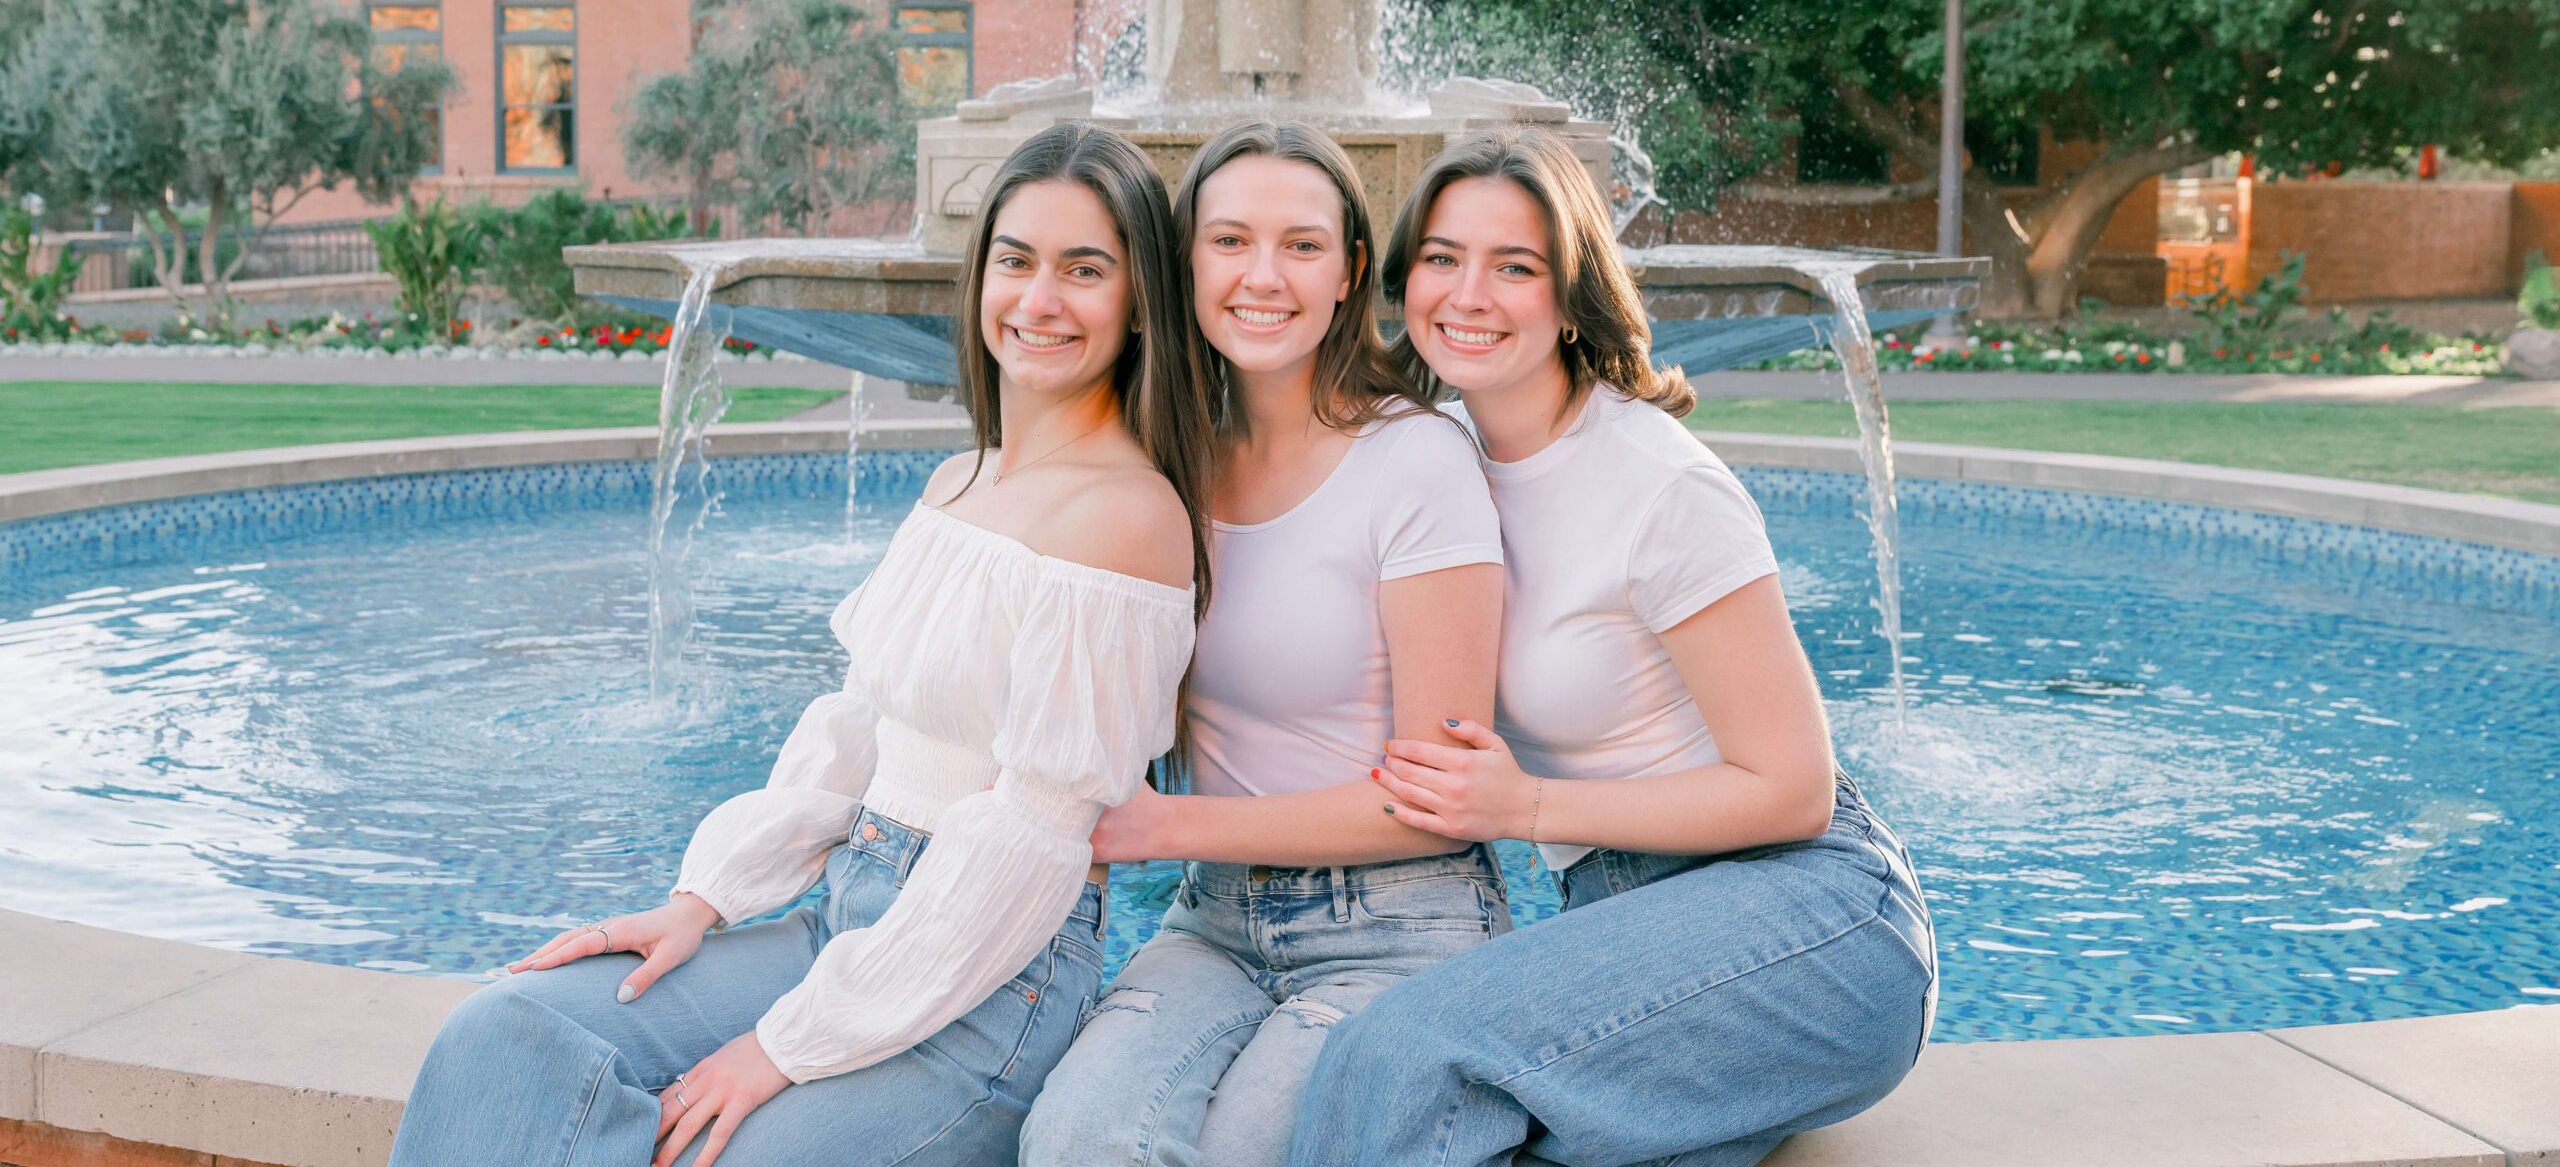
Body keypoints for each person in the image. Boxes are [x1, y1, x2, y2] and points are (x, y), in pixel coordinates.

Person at [388, 121, 1212, 1167]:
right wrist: (704, 899)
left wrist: (782, 1048)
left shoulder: (1127, 517)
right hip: (849, 921)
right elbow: (861, 721)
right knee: (501, 1033)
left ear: (1139, 301)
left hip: (989, 986)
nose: (1039, 301)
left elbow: (1023, 853)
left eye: (1084, 270)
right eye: (1016, 261)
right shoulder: (961, 480)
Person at [1288, 128, 1936, 1167]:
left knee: (1397, 1055)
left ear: (1570, 292)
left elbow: (1792, 789)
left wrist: (1524, 809)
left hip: (1804, 916)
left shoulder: (1654, 481)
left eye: (1515, 266)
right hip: (1625, 921)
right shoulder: (1424, 458)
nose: (1468, 294)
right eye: (1444, 259)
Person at [1020, 120, 1507, 1167]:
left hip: (1398, 924)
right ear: (1183, 263)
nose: (1263, 276)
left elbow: (1437, 801)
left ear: (1349, 274)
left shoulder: (1416, 461)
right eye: (1229, 241)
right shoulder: (1165, 458)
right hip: (1215, 920)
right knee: (1074, 1145)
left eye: (1301, 244)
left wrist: (1163, 826)